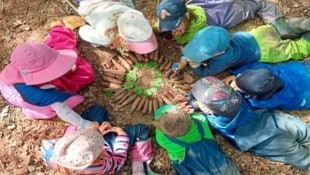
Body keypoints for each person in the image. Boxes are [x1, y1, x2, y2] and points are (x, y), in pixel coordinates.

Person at [181, 76, 310, 170]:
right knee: (301, 130)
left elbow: (201, 116)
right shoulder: (238, 96)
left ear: (208, 110)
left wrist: (195, 103)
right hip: (266, 120)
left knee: (298, 155)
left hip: (256, 138)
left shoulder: (216, 120)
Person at [0, 21, 95, 119]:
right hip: (40, 99)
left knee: (67, 57)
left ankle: (59, 30)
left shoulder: (17, 71)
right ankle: (36, 112)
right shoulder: (45, 96)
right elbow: (62, 102)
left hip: (24, 93)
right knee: (86, 74)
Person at [41, 104, 157, 174]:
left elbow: (46, 145)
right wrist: (121, 136)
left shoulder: (55, 157)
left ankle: (88, 135)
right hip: (110, 145)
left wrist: (96, 132)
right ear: (98, 156)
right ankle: (140, 167)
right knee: (142, 129)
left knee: (98, 110)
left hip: (81, 142)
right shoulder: (101, 166)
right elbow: (118, 159)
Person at [174, 25, 310, 76]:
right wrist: (184, 59)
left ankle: (306, 40)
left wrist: (195, 65)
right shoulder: (206, 37)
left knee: (294, 49)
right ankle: (295, 26)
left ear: (217, 53)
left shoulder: (226, 58)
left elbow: (207, 72)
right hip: (257, 34)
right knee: (281, 30)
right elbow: (194, 48)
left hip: (265, 50)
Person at [155, 0, 308, 44]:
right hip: (208, 6)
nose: (173, 31)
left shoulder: (201, 33)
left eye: (176, 26)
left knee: (258, 4)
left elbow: (187, 40)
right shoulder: (189, 7)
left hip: (227, 12)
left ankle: (283, 25)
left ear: (187, 16)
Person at [153, 104, 240, 174]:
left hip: (193, 166)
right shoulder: (200, 120)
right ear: (188, 116)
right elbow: (196, 115)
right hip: (216, 160)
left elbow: (159, 131)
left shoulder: (162, 138)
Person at [222, 60, 310, 110]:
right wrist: (235, 76)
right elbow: (253, 65)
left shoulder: (264, 101)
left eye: (237, 87)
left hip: (303, 94)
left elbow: (249, 105)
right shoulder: (265, 71)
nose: (233, 86)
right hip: (301, 70)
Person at [77, 0, 158, 54]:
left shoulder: (135, 14)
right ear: (122, 38)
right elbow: (83, 31)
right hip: (87, 4)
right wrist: (97, 43)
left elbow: (127, 3)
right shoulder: (106, 38)